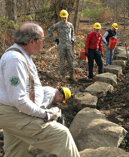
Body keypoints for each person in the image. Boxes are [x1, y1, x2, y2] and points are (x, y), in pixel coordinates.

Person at [0, 22, 80, 157]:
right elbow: (18, 99)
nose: (43, 43)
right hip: (14, 114)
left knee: (16, 151)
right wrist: (45, 114)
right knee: (62, 135)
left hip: (14, 113)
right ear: (32, 41)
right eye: (42, 40)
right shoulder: (15, 59)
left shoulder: (22, 56)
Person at [48, 9, 75, 82]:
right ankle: (63, 76)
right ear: (60, 17)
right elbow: (49, 31)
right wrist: (55, 39)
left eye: (65, 17)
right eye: (62, 18)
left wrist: (72, 39)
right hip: (61, 46)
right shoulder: (57, 25)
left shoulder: (70, 25)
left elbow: (73, 33)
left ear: (67, 17)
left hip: (69, 46)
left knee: (70, 61)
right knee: (62, 61)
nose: (64, 19)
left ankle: (71, 75)